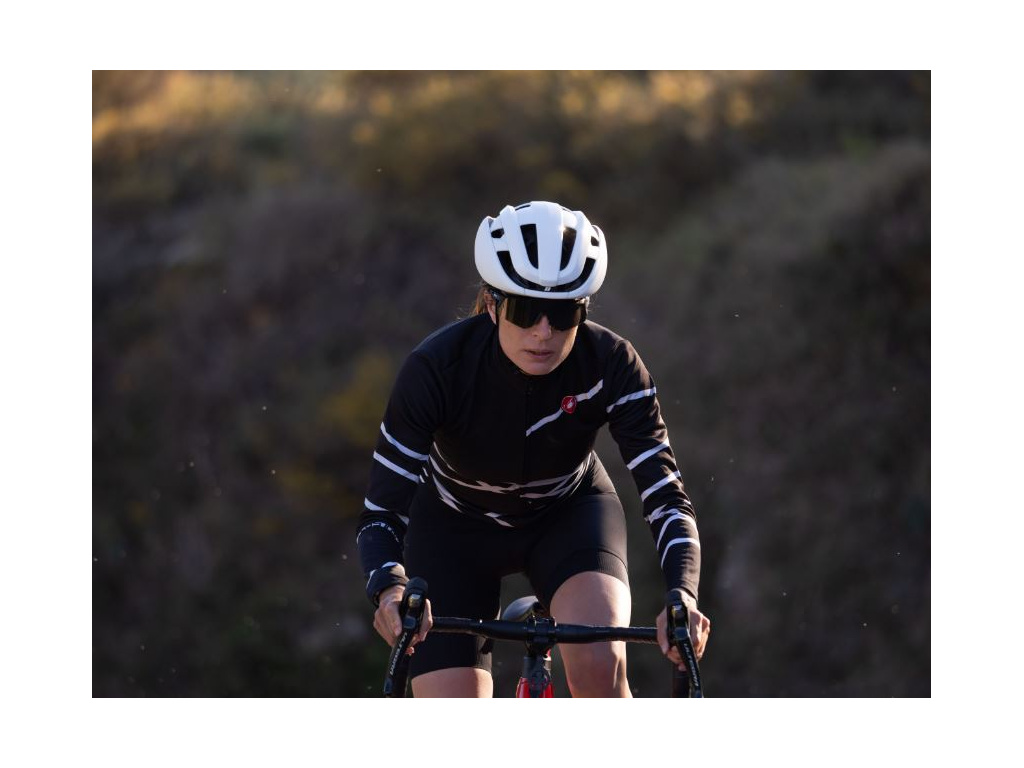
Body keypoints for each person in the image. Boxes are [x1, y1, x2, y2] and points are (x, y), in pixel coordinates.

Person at [356, 200, 710, 697]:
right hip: (453, 529)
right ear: (493, 304)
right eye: (525, 311)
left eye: (564, 313)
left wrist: (683, 595)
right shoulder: (436, 369)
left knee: (601, 670)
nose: (543, 332)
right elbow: (381, 514)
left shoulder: (613, 363)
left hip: (568, 515)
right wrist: (389, 588)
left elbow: (666, 498)